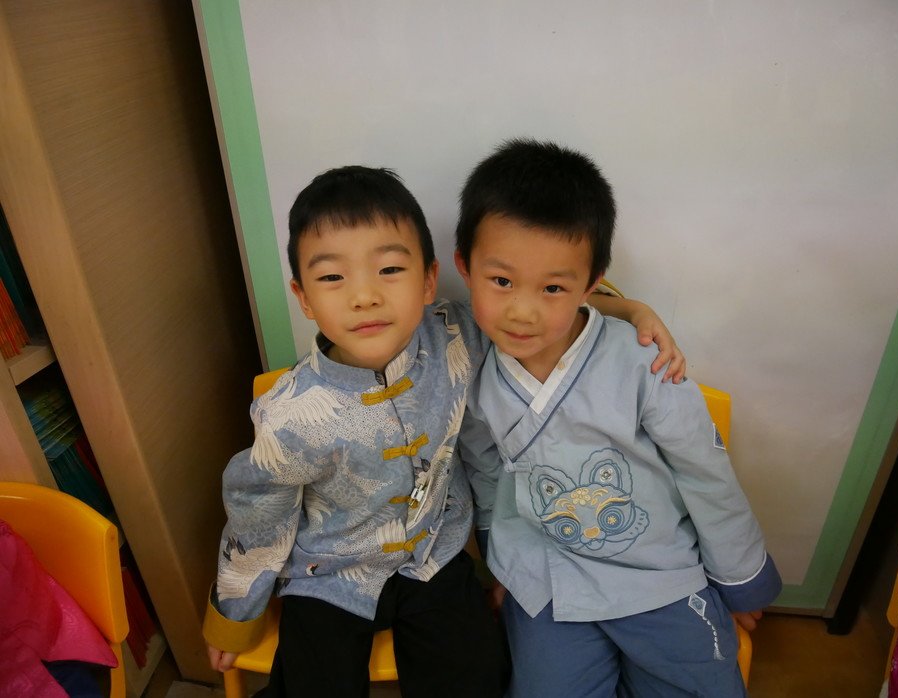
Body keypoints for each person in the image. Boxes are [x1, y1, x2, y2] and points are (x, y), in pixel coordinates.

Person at [202, 164, 685, 697]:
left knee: (479, 676)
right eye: (333, 278)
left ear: (429, 279)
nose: (364, 297)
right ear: (304, 297)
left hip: (435, 556)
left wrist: (631, 309)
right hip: (328, 573)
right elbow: (258, 519)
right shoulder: (289, 414)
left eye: (389, 269)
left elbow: (538, 304)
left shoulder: (456, 335)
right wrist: (234, 614)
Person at [454, 139, 783, 698]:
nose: (522, 311)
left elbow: (705, 473)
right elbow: (486, 475)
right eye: (501, 281)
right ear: (464, 266)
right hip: (550, 577)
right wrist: (507, 566)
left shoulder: (644, 361)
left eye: (553, 288)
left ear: (591, 284)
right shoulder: (470, 362)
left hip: (656, 571)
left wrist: (739, 580)